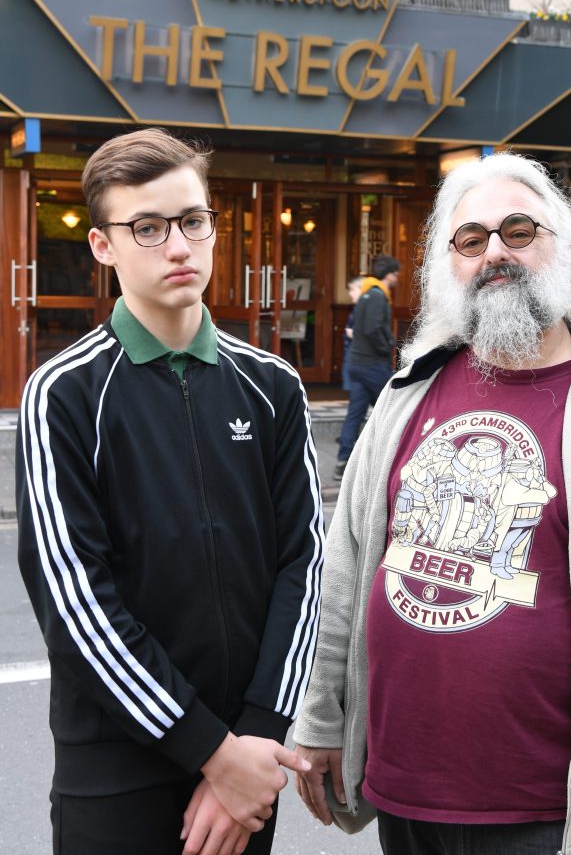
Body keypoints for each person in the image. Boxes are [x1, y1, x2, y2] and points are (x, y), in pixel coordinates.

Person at [293, 152, 571, 855]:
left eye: (520, 231)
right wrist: (321, 720)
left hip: (554, 813)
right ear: (447, 265)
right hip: (408, 794)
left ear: (562, 249)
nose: (495, 253)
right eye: (471, 239)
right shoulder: (405, 396)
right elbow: (345, 573)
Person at [16, 128, 322, 855]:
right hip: (116, 772)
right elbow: (75, 603)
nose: (178, 246)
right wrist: (210, 752)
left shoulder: (273, 386)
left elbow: (305, 567)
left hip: (248, 763)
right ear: (102, 247)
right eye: (146, 228)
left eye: (192, 221)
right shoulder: (64, 393)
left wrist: (255, 737)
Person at [334, 256, 400, 480]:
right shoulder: (377, 296)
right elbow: (373, 329)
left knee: (355, 413)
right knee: (393, 408)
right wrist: (387, 347)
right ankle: (390, 460)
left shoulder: (366, 294)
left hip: (357, 363)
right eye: (395, 274)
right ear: (389, 274)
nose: (397, 278)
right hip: (372, 363)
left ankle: (343, 461)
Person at [341, 276, 364, 393]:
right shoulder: (358, 308)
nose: (350, 294)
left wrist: (354, 334)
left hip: (358, 355)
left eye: (353, 290)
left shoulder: (364, 309)